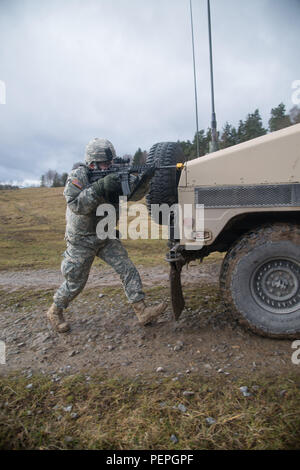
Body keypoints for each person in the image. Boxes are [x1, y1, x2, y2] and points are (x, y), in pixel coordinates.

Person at [46, 138, 167, 333]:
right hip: (82, 240)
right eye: (105, 163)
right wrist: (101, 186)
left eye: (111, 162)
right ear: (92, 163)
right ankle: (54, 311)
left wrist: (145, 179)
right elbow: (76, 205)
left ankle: (142, 311)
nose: (109, 166)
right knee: (75, 282)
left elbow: (133, 195)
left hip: (105, 235)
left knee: (127, 268)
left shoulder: (114, 175)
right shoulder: (79, 177)